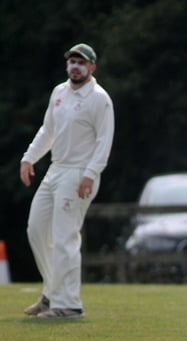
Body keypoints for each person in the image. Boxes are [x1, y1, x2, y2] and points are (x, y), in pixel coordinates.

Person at [21, 43, 115, 320]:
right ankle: (53, 293)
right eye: (72, 61)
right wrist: (29, 158)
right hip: (55, 170)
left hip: (79, 173)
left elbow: (104, 141)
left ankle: (69, 304)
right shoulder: (59, 93)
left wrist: (90, 174)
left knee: (65, 237)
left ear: (92, 68)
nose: (75, 66)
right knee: (36, 230)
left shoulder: (99, 98)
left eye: (81, 62)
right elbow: (47, 130)